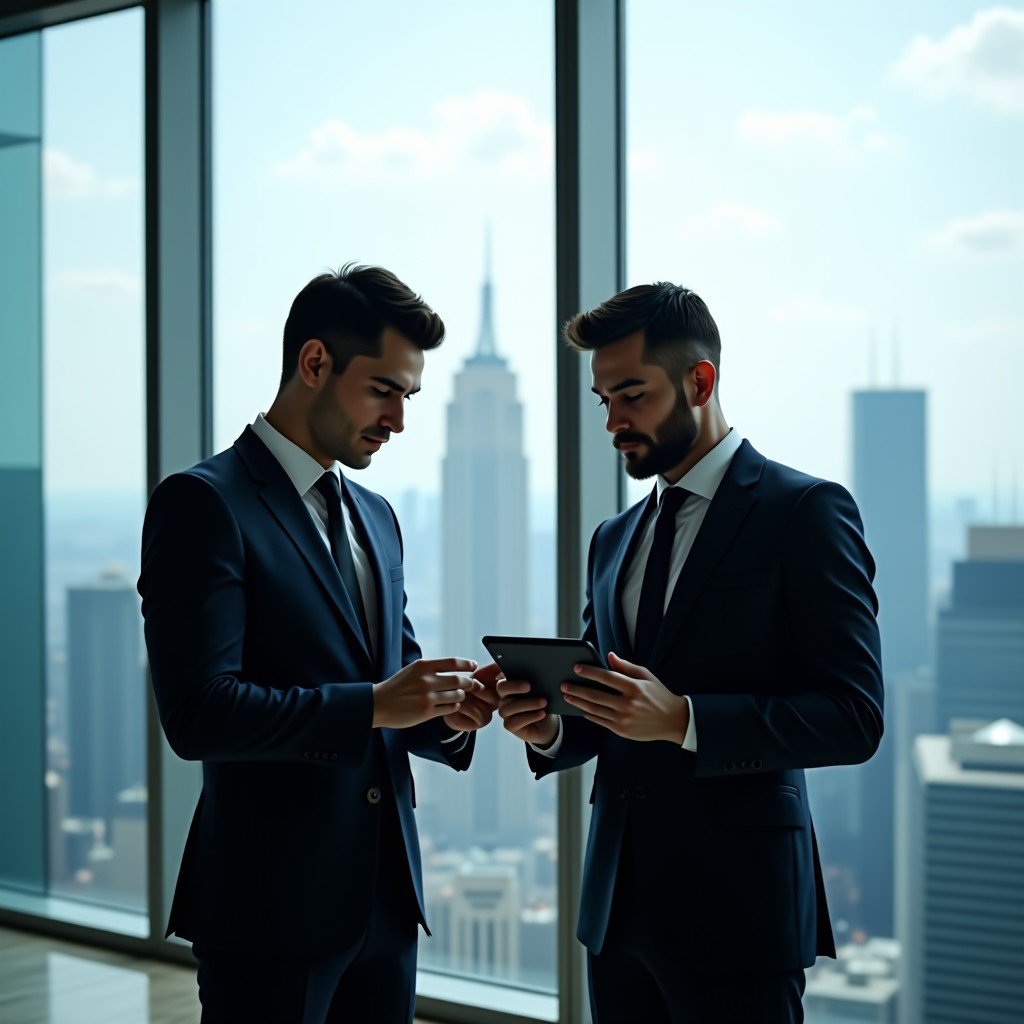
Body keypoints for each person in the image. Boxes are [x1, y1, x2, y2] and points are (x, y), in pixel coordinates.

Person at [497, 283, 884, 1024]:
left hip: (741, 918)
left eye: (632, 395)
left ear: (699, 381)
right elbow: (607, 715)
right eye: (603, 399)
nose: (613, 421)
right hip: (617, 914)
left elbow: (854, 717)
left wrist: (685, 721)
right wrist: (545, 725)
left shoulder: (804, 512)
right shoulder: (614, 539)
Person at [138, 265, 498, 1024]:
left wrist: (450, 711)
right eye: (383, 390)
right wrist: (372, 705)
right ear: (314, 364)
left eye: (409, 396)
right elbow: (199, 714)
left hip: (387, 909)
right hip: (269, 913)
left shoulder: (378, 517)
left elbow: (389, 683)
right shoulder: (205, 504)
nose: (398, 419)